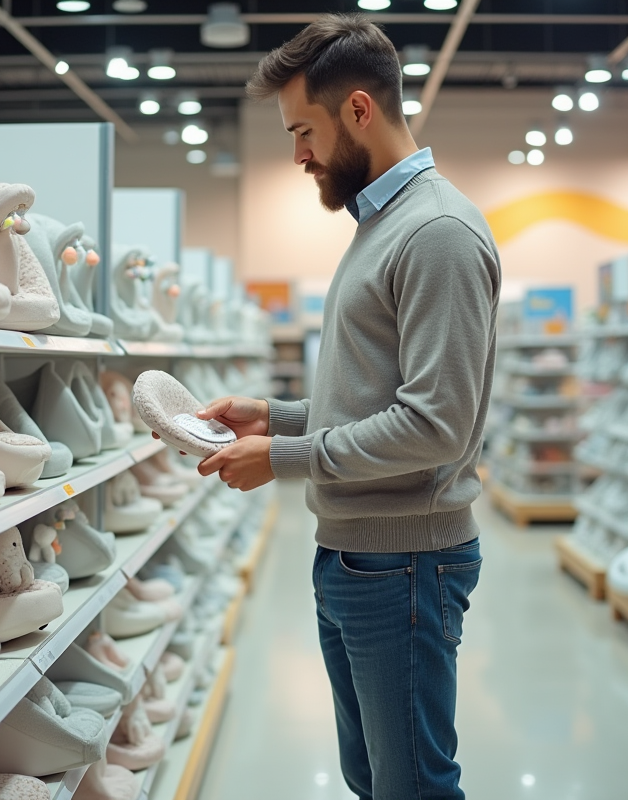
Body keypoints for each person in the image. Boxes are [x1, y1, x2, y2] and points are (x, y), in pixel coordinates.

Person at [193, 13, 500, 800]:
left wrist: (287, 459)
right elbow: (375, 392)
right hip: (359, 555)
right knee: (372, 778)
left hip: (403, 563)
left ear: (359, 110)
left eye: (304, 131)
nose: (297, 155)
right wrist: (277, 416)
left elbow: (436, 426)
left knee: (413, 787)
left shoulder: (435, 233)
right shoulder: (382, 224)